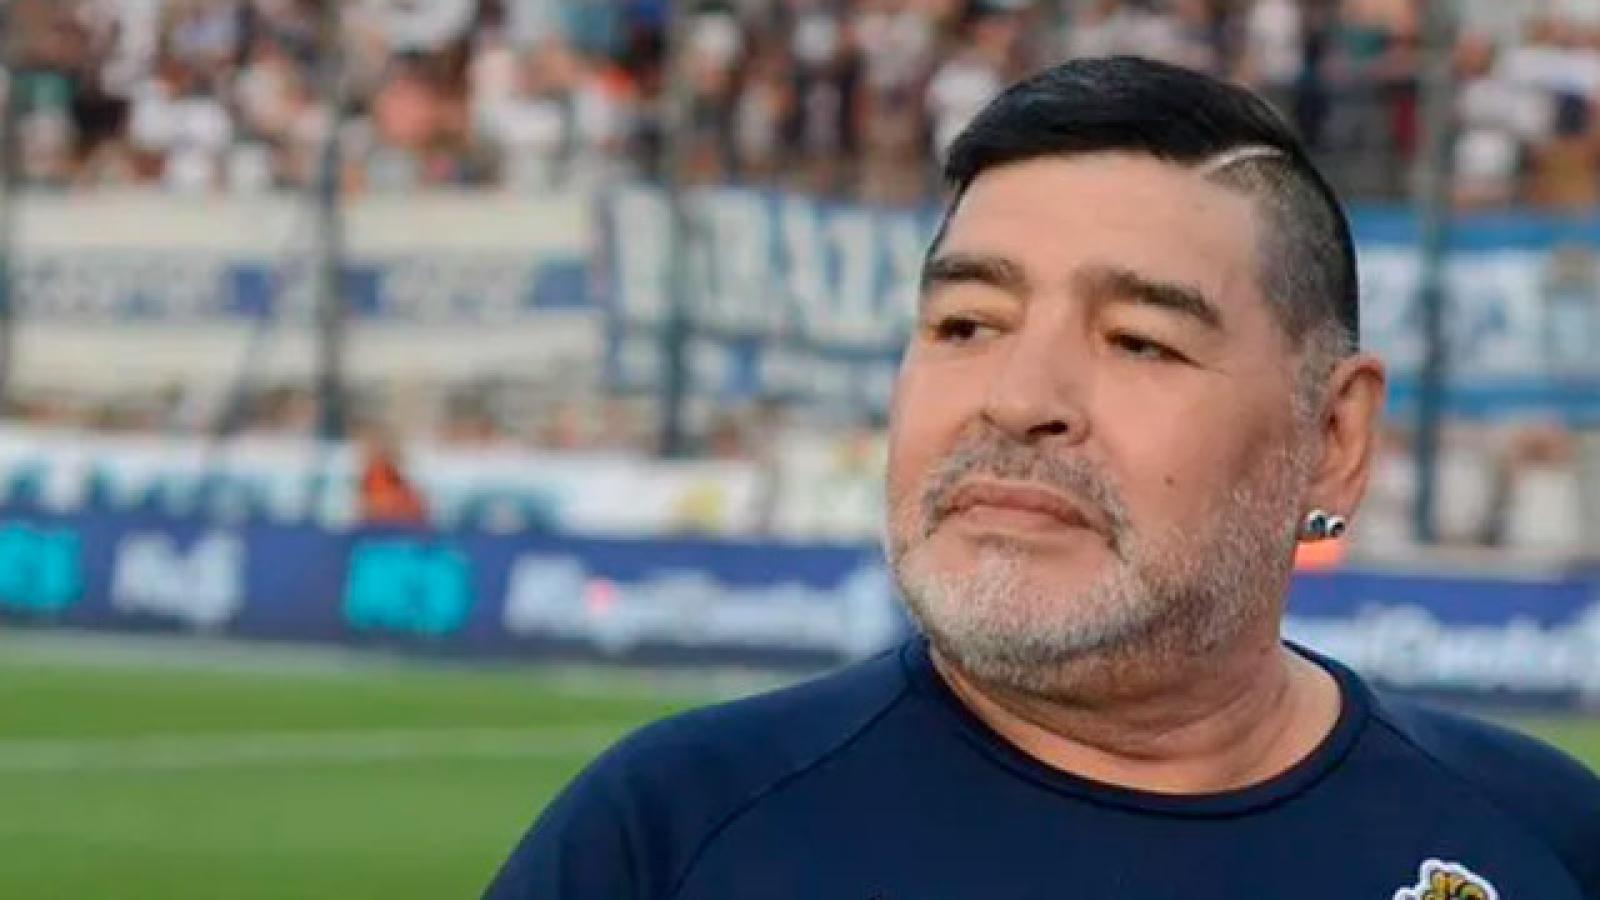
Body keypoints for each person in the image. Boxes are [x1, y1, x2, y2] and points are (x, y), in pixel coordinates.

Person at [483, 56, 1600, 898]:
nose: (1018, 398)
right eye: (966, 323)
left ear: (1334, 438)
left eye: (1139, 340)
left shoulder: (1542, 841)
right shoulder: (669, 838)